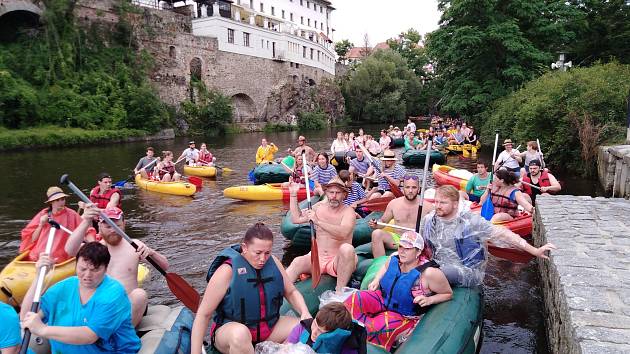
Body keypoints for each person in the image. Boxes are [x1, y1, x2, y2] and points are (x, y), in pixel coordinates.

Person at [191, 223, 311, 354]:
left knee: (306, 327)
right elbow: (203, 315)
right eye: (258, 253)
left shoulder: (274, 263)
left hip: (268, 329)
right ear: (245, 248)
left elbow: (291, 291)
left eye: (267, 253)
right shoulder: (227, 271)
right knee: (240, 334)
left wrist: (305, 313)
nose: (262, 259)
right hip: (231, 332)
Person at [420, 185, 556, 287]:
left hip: (467, 271)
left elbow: (503, 234)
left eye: (442, 203)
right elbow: (424, 245)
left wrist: (534, 250)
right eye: (436, 202)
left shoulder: (470, 222)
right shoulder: (430, 220)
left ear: (455, 204)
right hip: (439, 264)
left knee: (432, 274)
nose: (437, 206)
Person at [20, 242, 141, 353]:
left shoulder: (113, 294)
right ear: (76, 264)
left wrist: (43, 330)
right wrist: (38, 277)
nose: (87, 275)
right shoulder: (64, 287)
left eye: (95, 270)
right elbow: (27, 316)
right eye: (82, 269)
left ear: (106, 268)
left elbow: (90, 336)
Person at [344, 231, 452, 351]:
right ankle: (344, 331)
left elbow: (447, 293)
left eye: (408, 248)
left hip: (405, 315)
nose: (402, 251)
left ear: (418, 252)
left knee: (375, 328)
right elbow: (385, 268)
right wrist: (376, 280)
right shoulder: (394, 257)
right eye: (401, 246)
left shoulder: (429, 273)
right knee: (353, 300)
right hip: (384, 298)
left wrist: (429, 299)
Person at [65, 206, 168, 326]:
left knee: (139, 295)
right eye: (108, 226)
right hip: (103, 306)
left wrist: (151, 253)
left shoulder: (135, 246)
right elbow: (70, 250)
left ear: (124, 224)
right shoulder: (94, 249)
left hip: (128, 305)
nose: (112, 230)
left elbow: (165, 267)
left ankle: (123, 333)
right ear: (99, 227)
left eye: (117, 226)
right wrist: (86, 221)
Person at [286, 178, 357, 293]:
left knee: (347, 249)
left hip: (336, 261)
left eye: (338, 193)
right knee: (297, 261)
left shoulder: (348, 212)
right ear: (326, 193)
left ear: (344, 195)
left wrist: (318, 222)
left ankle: (340, 291)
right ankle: (278, 293)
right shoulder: (319, 208)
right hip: (317, 258)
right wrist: (293, 195)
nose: (334, 196)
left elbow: (343, 233)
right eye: (331, 192)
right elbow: (296, 218)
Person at [20, 187, 95, 262]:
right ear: (51, 202)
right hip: (40, 254)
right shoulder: (43, 214)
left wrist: (94, 244)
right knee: (35, 255)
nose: (61, 202)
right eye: (57, 200)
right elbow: (32, 239)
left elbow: (87, 230)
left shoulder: (72, 214)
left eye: (62, 199)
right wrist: (41, 225)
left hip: (61, 255)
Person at [368, 175, 431, 258]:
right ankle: (380, 265)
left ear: (419, 189)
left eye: (414, 187)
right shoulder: (394, 203)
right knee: (376, 233)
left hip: (417, 240)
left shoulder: (428, 206)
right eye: (407, 187)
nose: (410, 191)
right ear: (403, 189)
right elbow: (383, 221)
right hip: (398, 239)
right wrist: (376, 224)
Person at [286, 302, 366, 354]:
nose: (314, 332)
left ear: (334, 334)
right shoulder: (302, 328)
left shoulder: (347, 347)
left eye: (320, 331)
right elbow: (286, 349)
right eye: (315, 324)